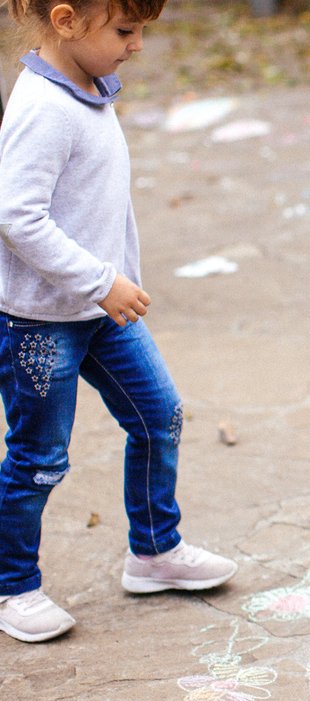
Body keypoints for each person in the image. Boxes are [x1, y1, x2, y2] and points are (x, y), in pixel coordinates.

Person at [0, 0, 237, 643]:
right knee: (38, 459)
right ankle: (12, 585)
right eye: (126, 31)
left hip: (102, 310)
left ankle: (154, 551)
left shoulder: (86, 88)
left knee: (159, 415)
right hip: (43, 323)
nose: (136, 46)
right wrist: (102, 281)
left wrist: (111, 282)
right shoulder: (42, 108)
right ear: (67, 20)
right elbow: (17, 217)